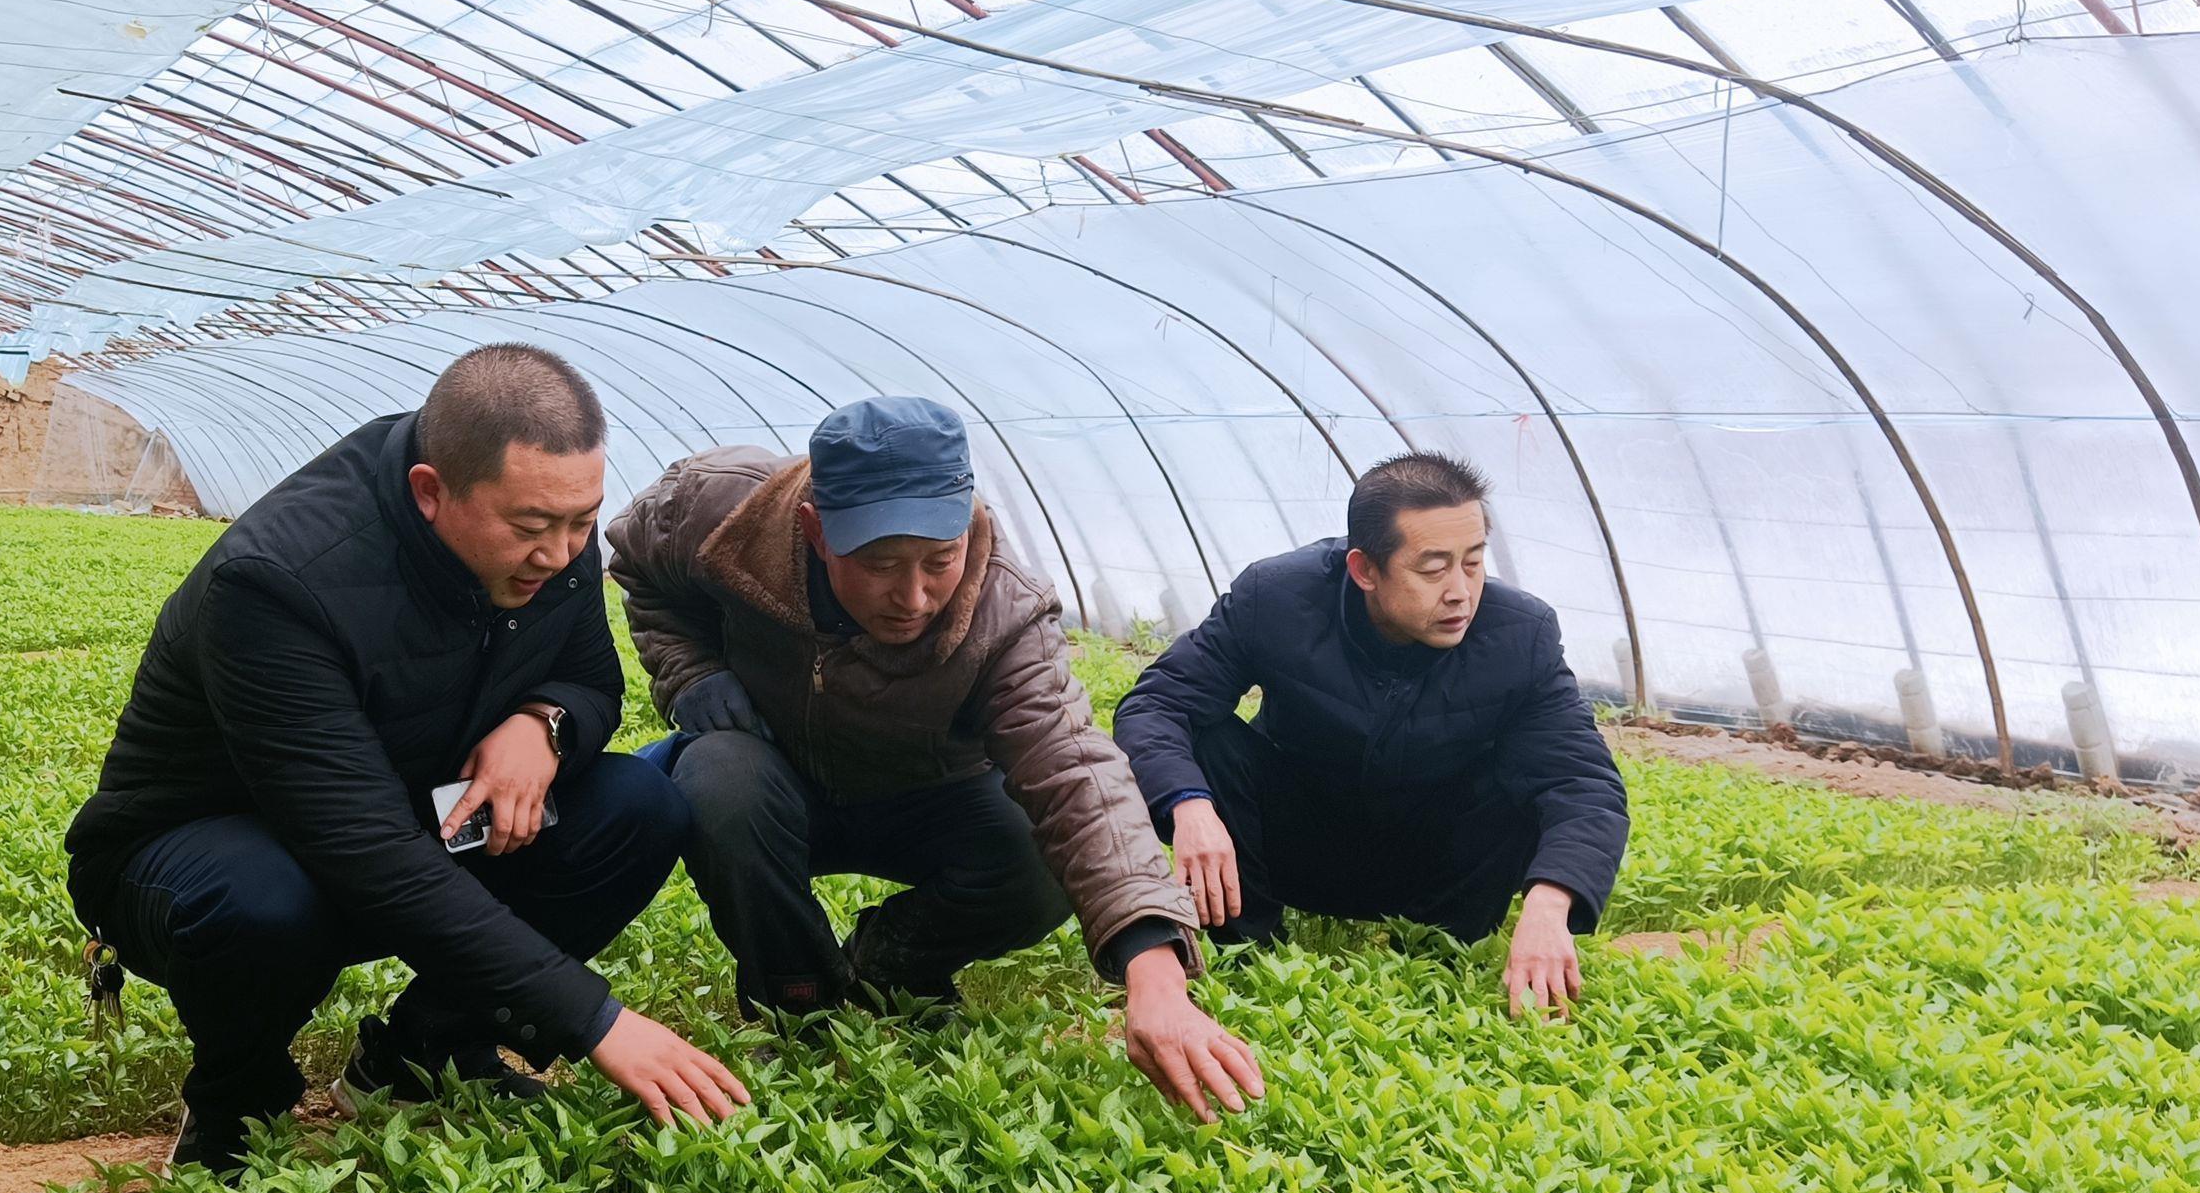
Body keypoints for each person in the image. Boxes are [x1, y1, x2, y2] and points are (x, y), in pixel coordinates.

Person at [66, 344, 747, 1174]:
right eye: (532, 529)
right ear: (431, 492)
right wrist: (595, 1019)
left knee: (635, 806)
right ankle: (236, 1106)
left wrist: (545, 723)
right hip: (205, 853)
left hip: (410, 814)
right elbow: (364, 849)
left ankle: (422, 1054)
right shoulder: (278, 581)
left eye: (582, 522)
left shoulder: (551, 534)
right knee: (262, 899)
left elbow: (591, 679)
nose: (564, 553)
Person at [607, 396, 1264, 1123]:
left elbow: (1076, 770)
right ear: (816, 531)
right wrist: (690, 673)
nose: (913, 597)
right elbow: (636, 567)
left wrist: (1155, 972)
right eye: (880, 564)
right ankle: (800, 997)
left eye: (939, 561)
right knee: (718, 781)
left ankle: (894, 963)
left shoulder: (1004, 612)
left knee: (1038, 850)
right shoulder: (720, 512)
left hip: (926, 793)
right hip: (773, 775)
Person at [1112, 452, 1629, 1015]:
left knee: (1523, 779)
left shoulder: (1520, 635)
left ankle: (1442, 959)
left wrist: (1551, 903)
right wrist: (1190, 807)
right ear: (1364, 570)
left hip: (1434, 863)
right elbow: (1157, 704)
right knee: (1206, 741)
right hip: (1297, 840)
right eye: (1433, 569)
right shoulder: (1276, 597)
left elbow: (1583, 783)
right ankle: (1246, 955)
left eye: (1474, 562)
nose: (1461, 591)